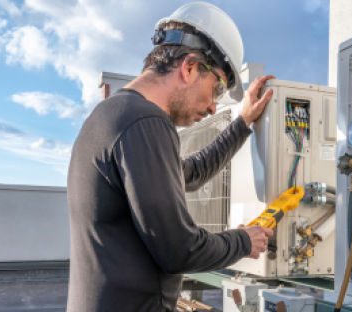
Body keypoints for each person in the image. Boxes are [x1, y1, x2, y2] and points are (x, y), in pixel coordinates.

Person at [66, 2, 275, 311]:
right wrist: (243, 241)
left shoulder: (113, 116)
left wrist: (242, 123)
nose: (213, 108)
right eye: (216, 89)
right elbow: (180, 250)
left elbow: (191, 171)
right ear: (189, 68)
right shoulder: (146, 122)